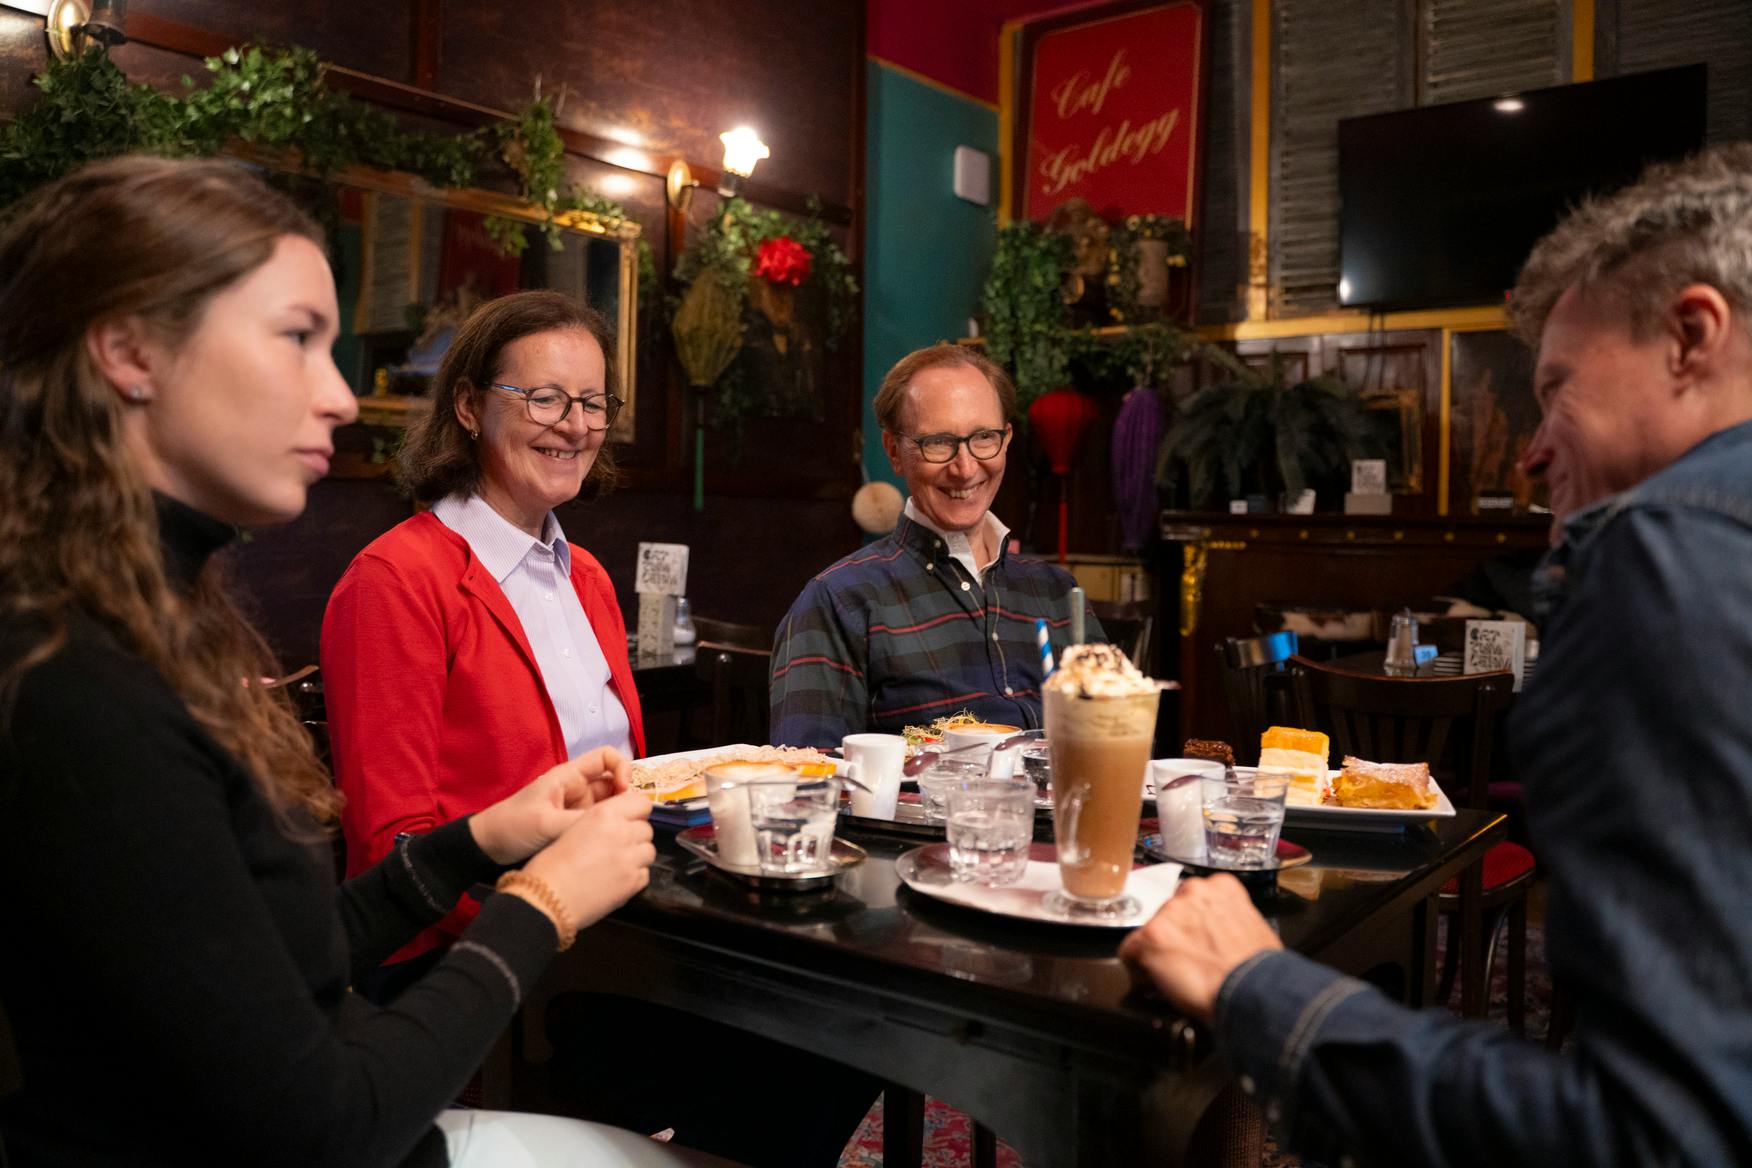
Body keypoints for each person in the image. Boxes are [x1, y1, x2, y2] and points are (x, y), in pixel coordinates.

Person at [0, 155, 734, 1167]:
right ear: (131, 351)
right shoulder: (75, 679)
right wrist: (541, 904)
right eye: (296, 339)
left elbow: (273, 959)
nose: (343, 398)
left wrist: (481, 838)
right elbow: (321, 1124)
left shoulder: (149, 622)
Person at [1120, 145, 1752, 1165]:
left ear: (1692, 335)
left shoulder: (1669, 551)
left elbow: (1659, 1136)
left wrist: (1261, 989)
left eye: (1556, 390)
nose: (1532, 452)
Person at [322, 290, 644, 985]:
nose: (575, 426)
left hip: (615, 924)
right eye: (545, 399)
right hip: (464, 959)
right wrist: (549, 910)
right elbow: (392, 847)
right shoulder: (394, 580)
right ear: (469, 406)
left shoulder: (589, 578)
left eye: (593, 403)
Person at [770, 342, 1101, 747]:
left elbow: (1119, 743)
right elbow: (809, 772)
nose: (965, 468)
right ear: (895, 451)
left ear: (1006, 440)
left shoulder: (1058, 593)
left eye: (984, 437)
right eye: (939, 442)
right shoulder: (838, 602)